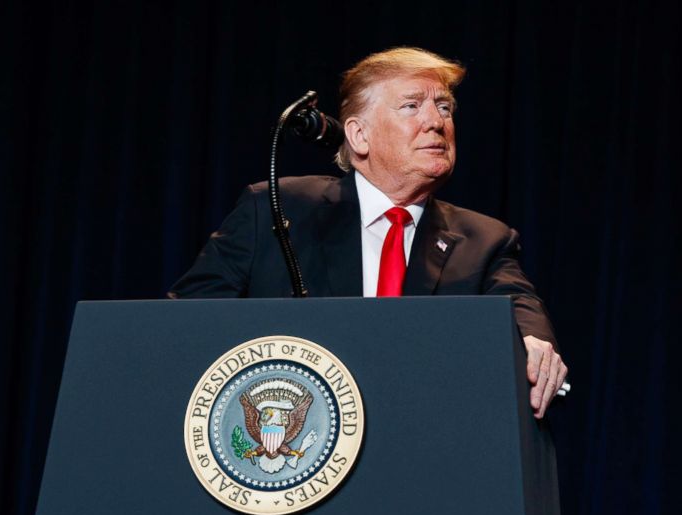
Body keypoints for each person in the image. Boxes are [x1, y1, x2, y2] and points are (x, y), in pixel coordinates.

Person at [168, 47, 568, 418]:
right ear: (359, 136)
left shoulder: (484, 240)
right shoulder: (277, 209)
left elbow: (518, 306)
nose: (436, 121)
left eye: (443, 106)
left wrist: (533, 344)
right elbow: (182, 324)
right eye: (412, 106)